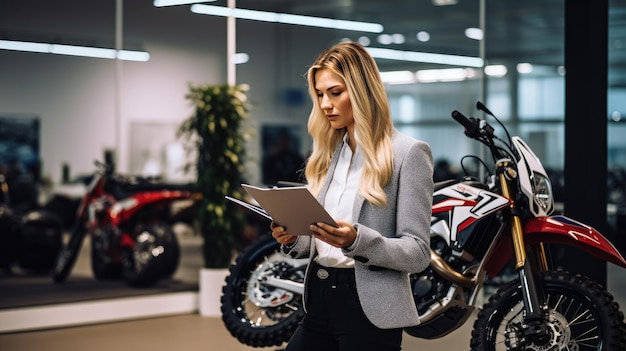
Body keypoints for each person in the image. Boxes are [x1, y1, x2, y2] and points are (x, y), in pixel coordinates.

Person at [270, 41, 434, 351]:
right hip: (319, 300)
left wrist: (357, 240)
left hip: (368, 309)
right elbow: (319, 240)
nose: (325, 105)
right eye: (319, 94)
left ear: (361, 91)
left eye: (335, 92)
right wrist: (293, 238)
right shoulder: (330, 155)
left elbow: (418, 253)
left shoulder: (408, 153)